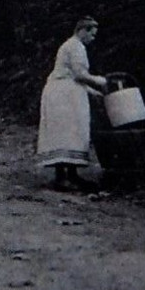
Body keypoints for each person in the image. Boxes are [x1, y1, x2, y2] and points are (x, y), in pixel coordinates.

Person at [36, 17, 111, 190]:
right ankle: (62, 177)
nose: (92, 38)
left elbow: (74, 76)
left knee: (72, 131)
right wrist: (101, 81)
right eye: (91, 34)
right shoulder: (76, 46)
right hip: (63, 94)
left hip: (66, 91)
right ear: (82, 30)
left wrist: (93, 92)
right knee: (66, 131)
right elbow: (79, 74)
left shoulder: (71, 45)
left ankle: (71, 175)